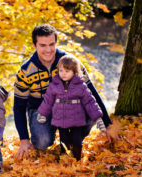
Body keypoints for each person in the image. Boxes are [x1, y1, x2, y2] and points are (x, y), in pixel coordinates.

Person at [13, 24, 112, 159]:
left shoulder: (71, 63)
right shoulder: (25, 71)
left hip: (71, 105)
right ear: (34, 45)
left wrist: (108, 124)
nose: (48, 50)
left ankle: (72, 139)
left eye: (51, 44)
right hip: (40, 109)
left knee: (90, 111)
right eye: (42, 45)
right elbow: (19, 107)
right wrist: (24, 139)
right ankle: (51, 133)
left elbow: (91, 93)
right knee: (42, 142)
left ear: (56, 43)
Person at [36, 55, 108, 160]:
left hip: (76, 117)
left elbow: (90, 102)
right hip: (61, 117)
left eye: (67, 71)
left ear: (74, 72)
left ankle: (77, 157)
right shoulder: (54, 84)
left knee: (77, 139)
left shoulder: (81, 85)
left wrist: (98, 118)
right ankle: (65, 158)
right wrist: (42, 113)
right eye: (61, 71)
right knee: (63, 139)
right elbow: (48, 100)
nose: (63, 74)